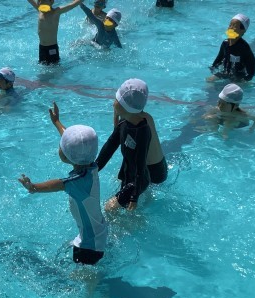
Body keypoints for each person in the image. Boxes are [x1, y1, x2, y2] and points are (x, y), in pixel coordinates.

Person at [19, 103, 107, 265]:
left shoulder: (78, 181)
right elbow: (74, 142)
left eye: (61, 145)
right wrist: (57, 122)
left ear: (66, 156)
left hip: (89, 246)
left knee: (83, 277)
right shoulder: (90, 165)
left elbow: (57, 184)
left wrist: (34, 187)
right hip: (98, 232)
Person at [96, 78, 167, 212]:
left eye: (116, 99)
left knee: (113, 208)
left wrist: (134, 196)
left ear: (123, 106)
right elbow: (112, 144)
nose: (113, 102)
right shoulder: (135, 118)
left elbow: (140, 161)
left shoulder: (143, 129)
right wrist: (94, 168)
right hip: (148, 168)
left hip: (151, 172)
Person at [26, 0, 84, 65]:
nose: (40, 3)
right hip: (42, 48)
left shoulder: (56, 12)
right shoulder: (40, 10)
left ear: (52, 2)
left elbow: (71, 5)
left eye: (43, 1)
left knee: (55, 67)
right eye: (39, 1)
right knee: (42, 66)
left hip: (52, 48)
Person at [208, 14, 255, 82]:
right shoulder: (225, 43)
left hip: (238, 75)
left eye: (234, 26)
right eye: (230, 25)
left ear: (242, 31)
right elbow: (220, 57)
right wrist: (214, 66)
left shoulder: (244, 47)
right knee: (209, 80)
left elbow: (252, 63)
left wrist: (248, 77)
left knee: (234, 86)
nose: (230, 28)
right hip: (225, 72)